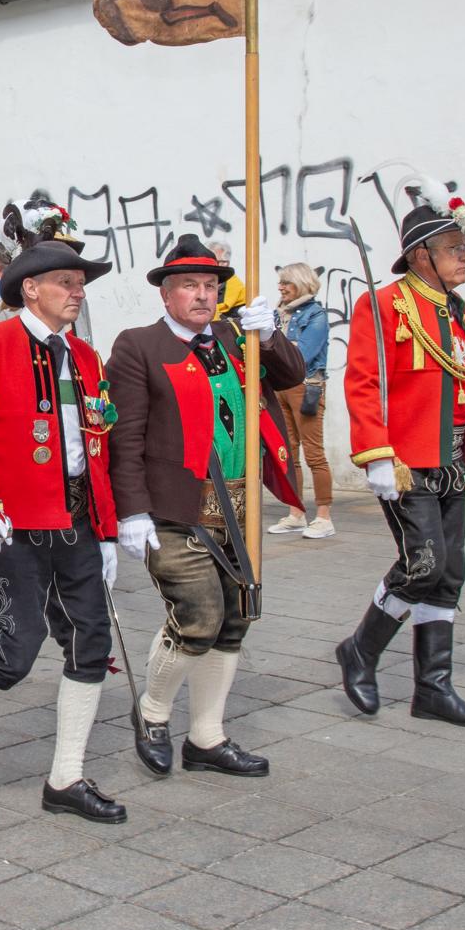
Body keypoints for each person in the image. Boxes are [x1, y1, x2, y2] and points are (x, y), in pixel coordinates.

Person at [0, 215, 128, 823]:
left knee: (90, 641)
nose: (78, 292)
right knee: (14, 651)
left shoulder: (86, 357)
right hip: (9, 525)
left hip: (78, 522)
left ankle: (66, 778)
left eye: (81, 283)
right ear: (31, 289)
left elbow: (98, 448)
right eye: (67, 282)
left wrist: (108, 529)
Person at [109, 237, 303, 777]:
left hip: (238, 510)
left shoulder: (235, 337)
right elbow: (125, 436)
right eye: (190, 286)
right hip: (176, 511)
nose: (202, 295)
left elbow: (291, 375)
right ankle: (152, 712)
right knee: (198, 618)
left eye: (211, 286)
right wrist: (132, 511)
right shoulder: (139, 346)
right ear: (166, 294)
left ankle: (206, 738)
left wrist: (270, 334)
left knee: (235, 620)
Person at [335, 181, 465, 727]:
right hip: (405, 458)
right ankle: (360, 649)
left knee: (449, 572)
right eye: (455, 248)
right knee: (422, 563)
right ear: (421, 255)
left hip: (450, 456)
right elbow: (363, 381)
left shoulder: (457, 309)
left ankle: (433, 688)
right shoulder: (383, 304)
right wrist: (375, 454)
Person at [267, 262, 335, 539]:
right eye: (281, 283)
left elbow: (301, 355)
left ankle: (324, 517)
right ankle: (296, 513)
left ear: (301, 284)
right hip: (279, 387)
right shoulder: (277, 314)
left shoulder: (315, 315)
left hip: (306, 387)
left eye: (287, 283)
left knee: (314, 454)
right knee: (289, 453)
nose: (281, 287)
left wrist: (277, 348)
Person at [209, 240, 248, 317]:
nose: (220, 265)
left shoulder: (239, 291)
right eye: (216, 261)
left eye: (224, 262)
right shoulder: (196, 286)